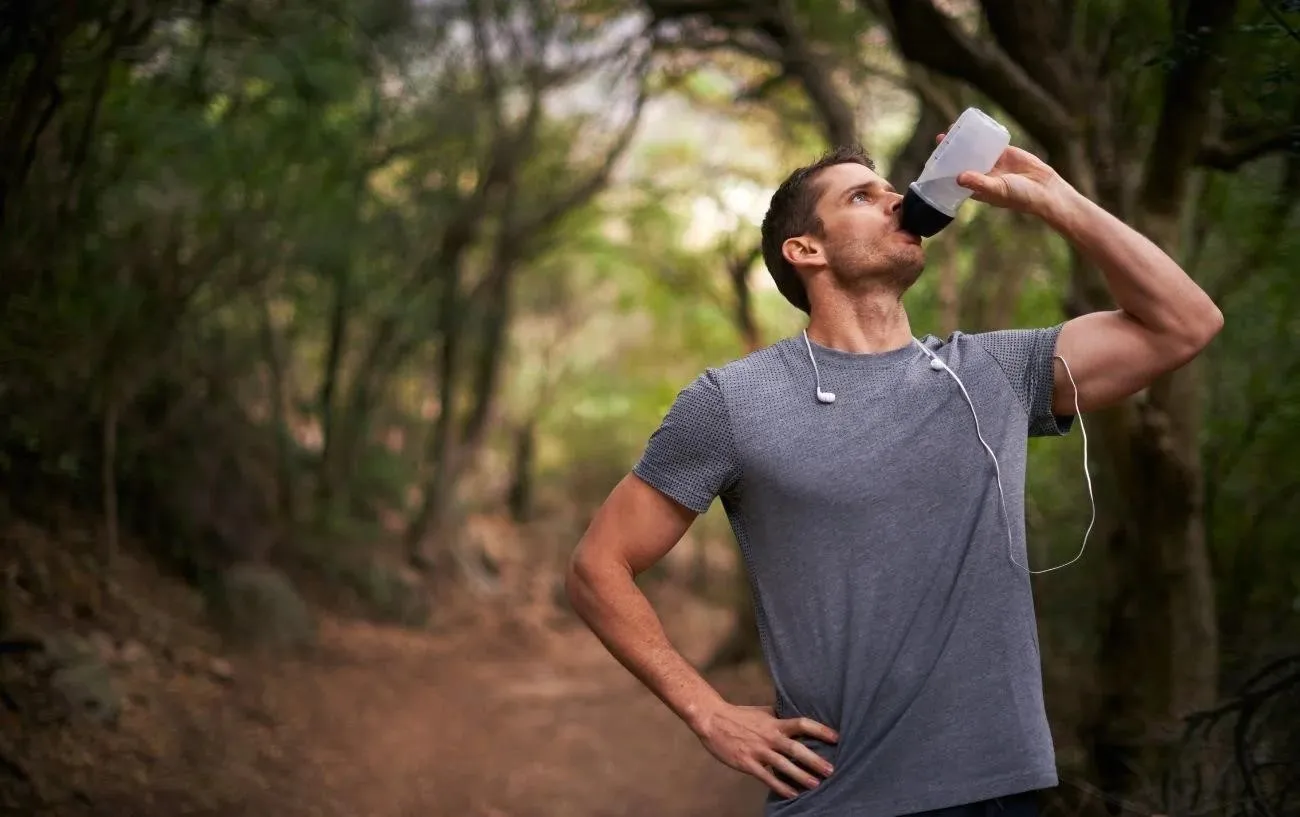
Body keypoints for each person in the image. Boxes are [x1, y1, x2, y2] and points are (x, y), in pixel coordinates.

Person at [564, 139, 1223, 817]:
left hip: (1004, 791)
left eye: (890, 189)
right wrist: (707, 711)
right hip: (840, 796)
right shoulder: (733, 401)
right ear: (806, 250)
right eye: (861, 196)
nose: (896, 200)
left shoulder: (990, 374)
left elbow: (1186, 324)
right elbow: (597, 565)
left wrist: (1059, 199)